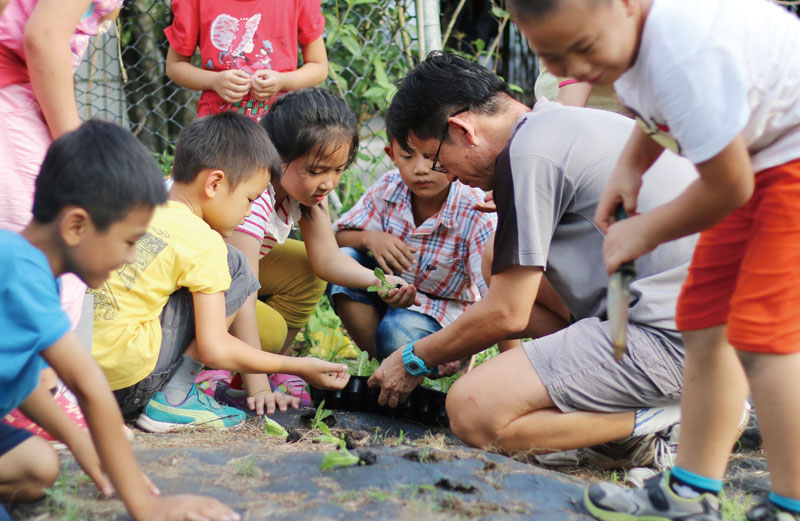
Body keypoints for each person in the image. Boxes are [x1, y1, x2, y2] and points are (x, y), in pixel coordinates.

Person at [509, 0, 800, 519]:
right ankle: (690, 492)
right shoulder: (624, 45)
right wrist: (629, 168)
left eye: (582, 48)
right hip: (758, 160)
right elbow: (656, 111)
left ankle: (790, 503)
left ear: (627, 4)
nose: (574, 70)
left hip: (783, 164)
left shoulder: (683, 49)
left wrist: (646, 228)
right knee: (705, 318)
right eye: (551, 57)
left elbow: (730, 185)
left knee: (763, 334)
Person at [367, 51, 708, 475]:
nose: (447, 174)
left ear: (462, 129)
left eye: (436, 158)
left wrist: (413, 358)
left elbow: (508, 313)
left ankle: (665, 419)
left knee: (472, 409)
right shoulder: (552, 125)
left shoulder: (528, 157)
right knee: (495, 257)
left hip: (676, 338)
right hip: (698, 315)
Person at [0, 119, 241, 521]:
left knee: (40, 468)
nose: (131, 256)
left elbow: (20, 382)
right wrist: (143, 504)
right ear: (77, 225)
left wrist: (79, 442)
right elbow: (87, 385)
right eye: (130, 241)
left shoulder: (32, 270)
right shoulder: (19, 269)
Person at [90, 111, 349, 432]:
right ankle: (174, 397)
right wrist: (299, 367)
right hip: (127, 385)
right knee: (235, 262)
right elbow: (214, 346)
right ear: (214, 183)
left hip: (81, 381)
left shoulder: (138, 208)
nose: (250, 211)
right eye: (250, 198)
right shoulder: (205, 242)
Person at [0, 0, 124, 441]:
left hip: (17, 93)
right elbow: (43, 37)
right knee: (60, 248)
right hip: (10, 94)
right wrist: (72, 143)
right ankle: (41, 395)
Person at [328, 132, 497, 361]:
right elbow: (337, 238)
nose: (420, 169)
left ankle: (434, 364)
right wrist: (370, 238)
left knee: (396, 334)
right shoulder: (389, 187)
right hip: (389, 291)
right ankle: (381, 365)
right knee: (344, 260)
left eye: (431, 157)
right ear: (392, 155)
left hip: (445, 313)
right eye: (408, 156)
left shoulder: (474, 209)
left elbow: (496, 296)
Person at [164, 0, 327, 121]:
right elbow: (175, 65)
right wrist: (214, 81)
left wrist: (282, 81)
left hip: (280, 126)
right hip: (218, 129)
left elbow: (318, 66)